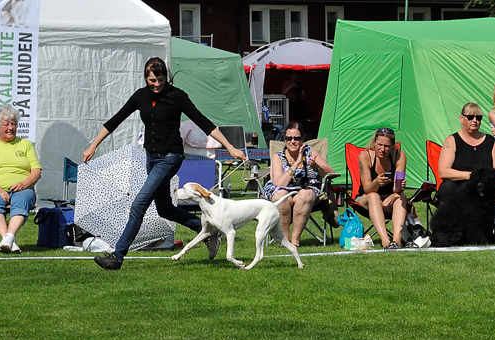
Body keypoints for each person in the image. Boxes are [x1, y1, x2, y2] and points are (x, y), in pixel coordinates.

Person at [83, 57, 246, 270]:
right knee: (165, 209)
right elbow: (115, 120)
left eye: (160, 79)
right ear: (146, 78)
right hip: (151, 158)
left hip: (170, 158)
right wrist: (93, 145)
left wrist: (231, 147)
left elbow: (203, 122)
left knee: (139, 204)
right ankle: (205, 230)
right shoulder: (140, 96)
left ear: (165, 77)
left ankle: (117, 257)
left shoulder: (176, 96)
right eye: (152, 80)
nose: (157, 84)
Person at [438, 103, 495, 243]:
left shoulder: (490, 141)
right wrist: (471, 176)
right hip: (461, 185)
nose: (475, 120)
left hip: (486, 186)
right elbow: (443, 171)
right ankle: (454, 234)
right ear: (462, 118)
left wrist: (485, 179)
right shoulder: (452, 140)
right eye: (470, 117)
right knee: (446, 187)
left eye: (478, 117)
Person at [0, 104, 42, 254]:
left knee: (23, 198)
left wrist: (24, 184)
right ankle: (7, 239)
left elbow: (36, 172)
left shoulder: (25, 145)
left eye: (13, 124)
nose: (10, 128)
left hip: (22, 189)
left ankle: (8, 238)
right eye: (6, 124)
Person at [262, 122, 335, 247]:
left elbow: (331, 172)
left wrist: (317, 167)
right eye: (288, 138)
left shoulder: (310, 151)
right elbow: (280, 183)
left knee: (305, 195)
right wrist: (297, 163)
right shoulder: (278, 156)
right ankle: (284, 239)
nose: (292, 141)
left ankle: (295, 240)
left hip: (306, 189)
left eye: (296, 138)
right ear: (284, 139)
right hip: (281, 189)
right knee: (281, 196)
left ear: (302, 140)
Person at [355, 127, 406, 249]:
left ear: (393, 146)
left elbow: (396, 190)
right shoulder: (365, 157)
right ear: (374, 143)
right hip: (366, 198)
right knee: (374, 196)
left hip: (388, 198)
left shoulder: (399, 156)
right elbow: (367, 189)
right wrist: (376, 182)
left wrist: (399, 187)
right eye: (380, 145)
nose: (382, 149)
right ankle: (385, 241)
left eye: (387, 146)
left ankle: (396, 241)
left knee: (401, 196)